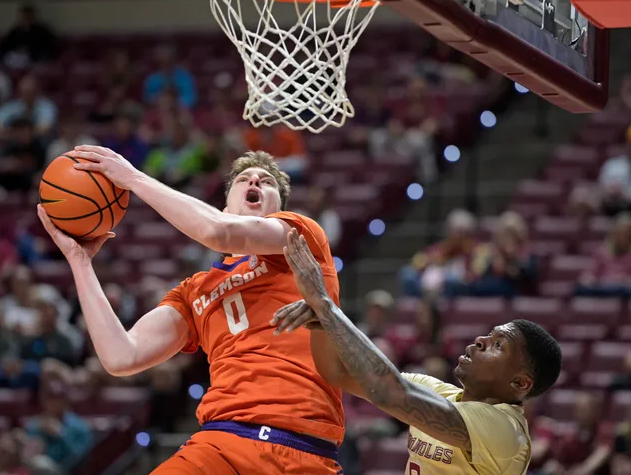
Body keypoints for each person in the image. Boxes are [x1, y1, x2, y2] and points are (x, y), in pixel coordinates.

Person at [37, 147, 345, 475]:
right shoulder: (195, 290)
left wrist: (133, 178)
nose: (255, 179)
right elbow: (121, 357)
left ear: (279, 208)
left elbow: (218, 231)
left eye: (267, 182)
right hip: (220, 445)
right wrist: (80, 261)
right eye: (243, 179)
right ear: (224, 206)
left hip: (302, 450)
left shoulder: (300, 238)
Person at [274, 228, 563, 475]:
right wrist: (322, 322)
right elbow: (337, 372)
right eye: (489, 334)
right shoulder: (437, 392)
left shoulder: (506, 431)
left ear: (520, 383)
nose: (480, 340)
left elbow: (389, 393)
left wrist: (327, 308)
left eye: (498, 345)